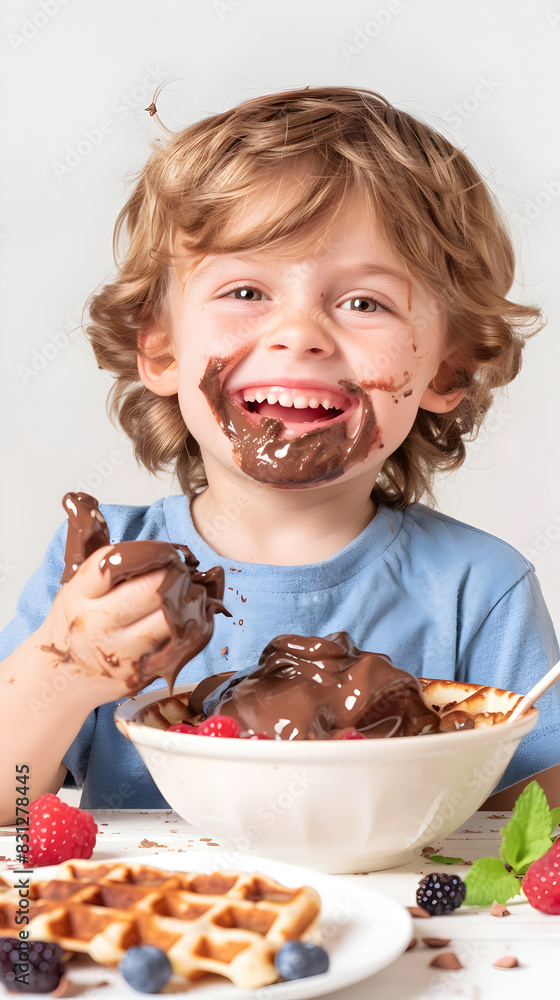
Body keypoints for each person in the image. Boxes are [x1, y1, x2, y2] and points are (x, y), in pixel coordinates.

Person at [1, 86, 558, 824]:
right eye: (245, 290)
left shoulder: (477, 591)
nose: (300, 333)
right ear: (161, 347)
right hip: (155, 925)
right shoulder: (105, 575)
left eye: (364, 302)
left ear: (447, 369)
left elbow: (526, 828)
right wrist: (65, 671)